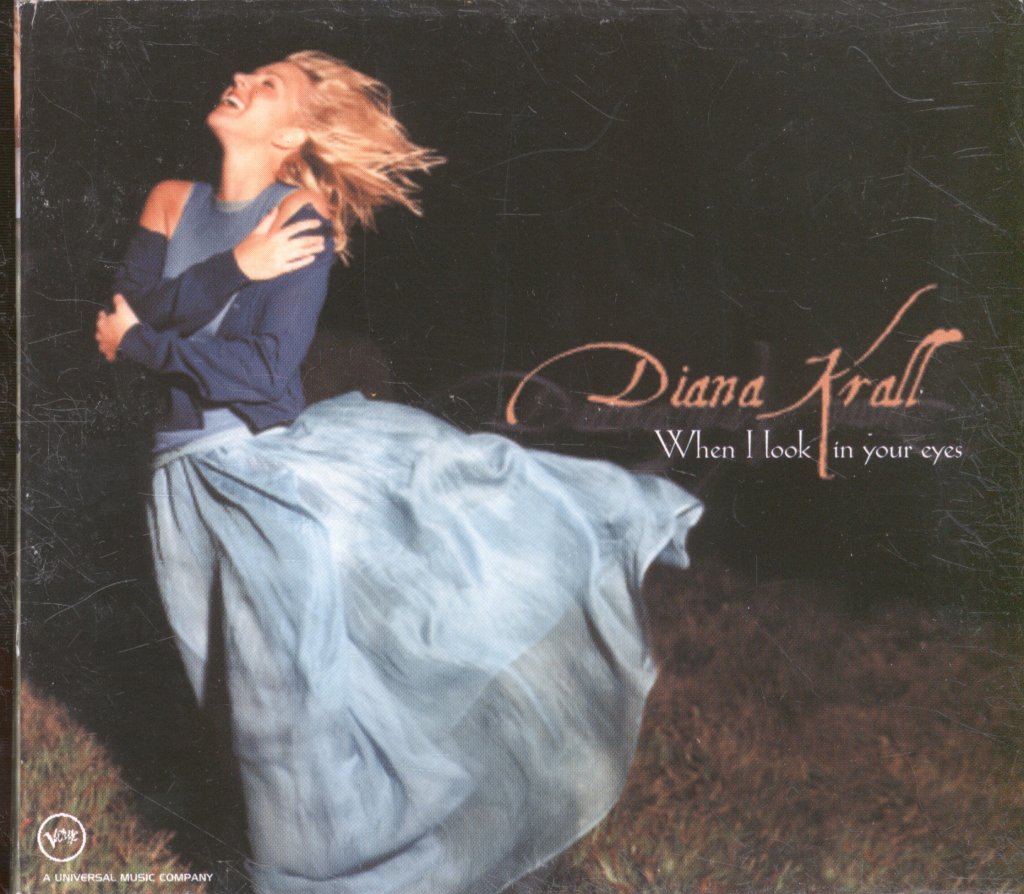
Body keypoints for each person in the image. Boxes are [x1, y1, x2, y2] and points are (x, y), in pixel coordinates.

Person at [95, 50, 703, 894]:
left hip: (262, 484)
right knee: (226, 702)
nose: (240, 81)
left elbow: (261, 378)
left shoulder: (299, 219)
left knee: (285, 721)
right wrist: (231, 273)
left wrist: (147, 340)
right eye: (248, 74)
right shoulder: (171, 200)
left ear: (294, 134)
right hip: (177, 487)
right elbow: (118, 316)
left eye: (267, 86)